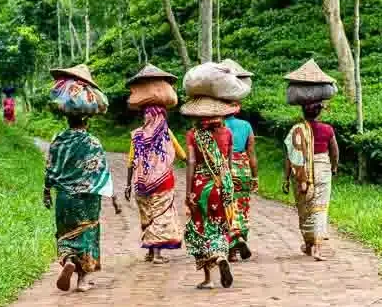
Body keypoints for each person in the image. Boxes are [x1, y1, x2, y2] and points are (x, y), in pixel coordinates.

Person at [43, 114, 113, 292]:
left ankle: (68, 261)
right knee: (87, 234)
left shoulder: (58, 141)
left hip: (65, 197)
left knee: (66, 233)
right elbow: (102, 171)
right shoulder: (92, 142)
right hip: (88, 198)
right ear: (87, 122)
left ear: (67, 120)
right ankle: (82, 280)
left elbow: (50, 167)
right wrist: (113, 197)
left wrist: (46, 191)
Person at [182, 97, 246, 289]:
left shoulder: (193, 135)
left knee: (201, 227)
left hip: (203, 186)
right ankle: (222, 253)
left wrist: (188, 192)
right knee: (221, 224)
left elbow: (192, 162)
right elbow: (228, 161)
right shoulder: (227, 132)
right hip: (224, 184)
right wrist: (228, 183)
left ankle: (209, 277)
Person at [125, 105, 186, 264]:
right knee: (160, 215)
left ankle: (151, 252)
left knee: (147, 216)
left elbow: (131, 162)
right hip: (163, 183)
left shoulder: (137, 135)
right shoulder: (165, 133)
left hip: (141, 183)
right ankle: (157, 254)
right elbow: (181, 154)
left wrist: (128, 185)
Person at [282, 102, 339, 261]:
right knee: (319, 208)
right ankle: (317, 247)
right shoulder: (327, 129)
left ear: (302, 112)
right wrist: (334, 167)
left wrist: (286, 178)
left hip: (300, 172)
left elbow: (289, 156)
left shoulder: (296, 130)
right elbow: (334, 151)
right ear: (319, 112)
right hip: (322, 170)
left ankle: (309, 244)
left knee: (304, 208)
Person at [224, 107, 257, 262]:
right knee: (242, 208)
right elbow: (251, 153)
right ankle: (241, 238)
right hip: (243, 168)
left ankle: (232, 248)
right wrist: (255, 177)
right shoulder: (246, 125)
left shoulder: (217, 126)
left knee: (228, 208)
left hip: (225, 167)